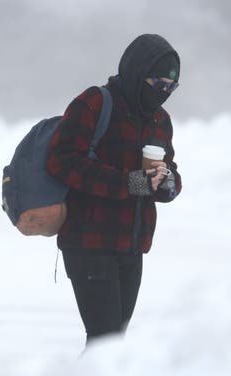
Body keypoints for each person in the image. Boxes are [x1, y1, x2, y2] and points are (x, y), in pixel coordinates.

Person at [46, 33, 183, 345]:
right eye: (158, 85)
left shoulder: (160, 120)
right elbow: (63, 162)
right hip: (89, 243)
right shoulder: (94, 104)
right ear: (137, 73)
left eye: (171, 87)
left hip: (133, 246)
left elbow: (168, 171)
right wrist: (131, 182)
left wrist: (168, 182)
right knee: (104, 341)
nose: (164, 93)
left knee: (113, 345)